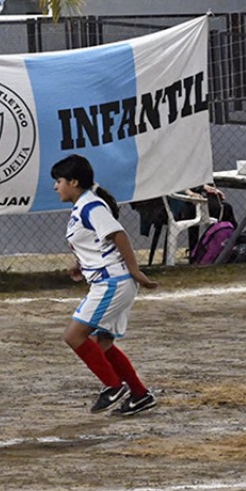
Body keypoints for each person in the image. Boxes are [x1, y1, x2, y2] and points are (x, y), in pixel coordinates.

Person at [51, 153, 160, 416]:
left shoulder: (91, 206)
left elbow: (119, 235)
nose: (56, 186)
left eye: (59, 181)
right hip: (112, 281)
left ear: (74, 182)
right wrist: (82, 265)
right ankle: (139, 394)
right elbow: (100, 242)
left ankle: (113, 386)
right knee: (104, 344)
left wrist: (136, 271)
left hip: (113, 282)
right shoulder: (84, 206)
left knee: (73, 336)